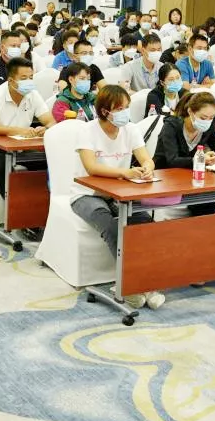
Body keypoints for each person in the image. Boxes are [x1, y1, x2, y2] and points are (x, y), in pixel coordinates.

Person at [68, 85, 162, 310]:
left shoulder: (130, 129)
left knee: (145, 224)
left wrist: (147, 168)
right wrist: (124, 173)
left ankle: (146, 282)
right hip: (86, 194)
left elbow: (146, 158)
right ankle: (130, 284)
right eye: (119, 109)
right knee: (111, 227)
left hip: (119, 193)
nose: (125, 113)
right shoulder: (87, 130)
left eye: (127, 107)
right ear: (104, 111)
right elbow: (91, 168)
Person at [0, 57, 56, 198]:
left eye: (31, 77)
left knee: (49, 161)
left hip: (22, 147)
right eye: (24, 78)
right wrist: (20, 131)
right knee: (2, 168)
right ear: (11, 80)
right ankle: (14, 206)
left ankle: (40, 203)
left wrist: (46, 129)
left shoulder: (33, 94)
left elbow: (50, 121)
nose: (29, 82)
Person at [154, 90, 215, 211]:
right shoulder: (171, 125)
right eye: (203, 117)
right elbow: (172, 160)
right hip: (165, 177)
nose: (207, 121)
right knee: (203, 201)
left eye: (211, 117)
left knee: (207, 200)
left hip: (192, 177)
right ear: (190, 111)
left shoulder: (209, 125)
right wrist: (200, 160)